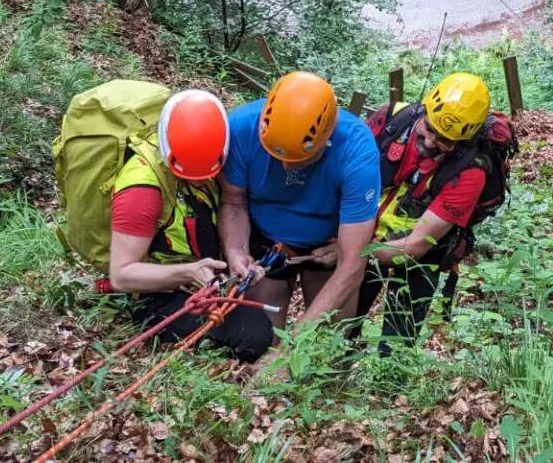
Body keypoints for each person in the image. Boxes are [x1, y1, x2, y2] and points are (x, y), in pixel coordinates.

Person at [106, 90, 274, 361]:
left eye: (206, 174)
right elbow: (122, 275)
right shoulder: (142, 189)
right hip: (156, 294)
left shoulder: (214, 159)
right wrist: (189, 273)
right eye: (189, 175)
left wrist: (237, 259)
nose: (200, 181)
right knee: (254, 334)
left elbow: (228, 207)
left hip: (203, 278)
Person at [220, 71, 381, 340]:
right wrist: (236, 252)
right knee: (258, 341)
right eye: (275, 154)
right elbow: (233, 201)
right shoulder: (241, 128)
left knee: (330, 345)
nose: (285, 167)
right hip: (265, 239)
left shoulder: (357, 151)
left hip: (327, 244)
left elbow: (352, 264)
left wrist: (291, 348)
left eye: (300, 159)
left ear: (326, 139)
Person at [354, 73, 499, 354]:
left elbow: (416, 246)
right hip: (363, 234)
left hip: (421, 253)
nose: (430, 142)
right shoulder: (393, 120)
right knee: (342, 323)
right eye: (429, 128)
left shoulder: (470, 170)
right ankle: (331, 381)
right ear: (425, 108)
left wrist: (354, 252)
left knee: (398, 341)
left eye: (444, 140)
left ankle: (389, 389)